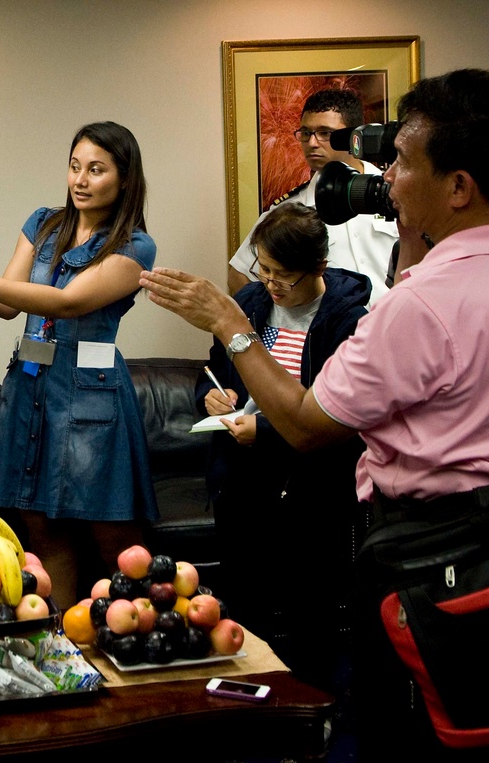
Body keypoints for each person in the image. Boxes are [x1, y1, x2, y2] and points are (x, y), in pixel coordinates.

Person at [140, 68, 489, 760]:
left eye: (403, 162)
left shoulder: (420, 304)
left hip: (431, 565)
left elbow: (307, 423)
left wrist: (228, 321)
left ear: (457, 187)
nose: (387, 178)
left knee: (405, 735)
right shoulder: (435, 282)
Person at [0, 121, 158, 608]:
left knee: (114, 535)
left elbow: (67, 302)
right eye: (75, 166)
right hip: (31, 387)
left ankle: (138, 641)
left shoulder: (134, 247)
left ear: (123, 178)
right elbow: (8, 305)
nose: (81, 180)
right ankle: (62, 645)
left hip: (92, 395)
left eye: (96, 170)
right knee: (41, 530)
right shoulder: (44, 223)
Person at [198, 202, 369, 693]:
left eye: (282, 276)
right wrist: (213, 396)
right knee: (245, 607)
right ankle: (251, 702)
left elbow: (340, 417)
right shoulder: (250, 305)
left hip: (311, 488)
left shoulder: (346, 321)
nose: (270, 284)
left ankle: (308, 708)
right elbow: (214, 368)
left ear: (318, 268)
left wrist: (267, 433)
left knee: (308, 611)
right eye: (263, 269)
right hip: (242, 480)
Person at [228, 89, 398, 306]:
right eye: (306, 133)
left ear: (353, 136)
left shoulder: (392, 191)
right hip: (329, 335)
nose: (312, 143)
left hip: (392, 328)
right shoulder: (291, 211)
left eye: (325, 133)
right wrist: (286, 319)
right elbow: (238, 275)